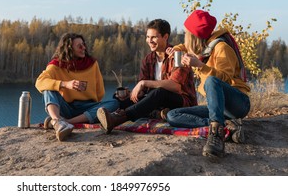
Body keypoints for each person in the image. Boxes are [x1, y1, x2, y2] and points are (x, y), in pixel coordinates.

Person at [166, 10, 251, 158]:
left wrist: (201, 66)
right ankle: (227, 127)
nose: (184, 35)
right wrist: (176, 49)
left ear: (193, 36)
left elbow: (225, 79)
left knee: (212, 80)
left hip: (238, 103)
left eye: (186, 33)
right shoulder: (205, 46)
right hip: (219, 107)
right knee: (173, 115)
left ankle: (216, 135)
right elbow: (186, 47)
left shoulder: (221, 48)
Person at [96, 19, 197, 134]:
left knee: (160, 92)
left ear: (165, 37)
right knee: (120, 97)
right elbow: (144, 91)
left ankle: (118, 119)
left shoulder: (177, 56)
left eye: (154, 37)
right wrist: (134, 93)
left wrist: (144, 83)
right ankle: (158, 113)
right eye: (148, 37)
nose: (150, 41)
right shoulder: (148, 59)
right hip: (156, 100)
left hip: (182, 102)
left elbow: (176, 87)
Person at [35, 32, 119, 141]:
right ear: (69, 48)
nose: (84, 48)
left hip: (87, 108)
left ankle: (65, 122)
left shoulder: (92, 64)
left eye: (84, 45)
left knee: (115, 103)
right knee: (48, 88)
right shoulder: (56, 65)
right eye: (79, 46)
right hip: (67, 108)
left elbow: (100, 93)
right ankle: (57, 121)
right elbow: (39, 82)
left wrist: (91, 107)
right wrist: (65, 84)